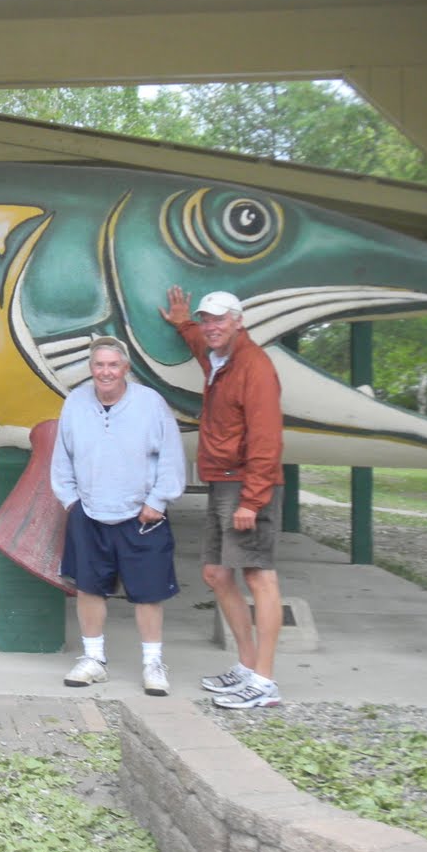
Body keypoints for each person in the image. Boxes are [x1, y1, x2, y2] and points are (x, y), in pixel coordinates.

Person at [160, 287, 286, 710]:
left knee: (258, 576)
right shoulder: (219, 360)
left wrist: (253, 500)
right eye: (207, 319)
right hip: (221, 480)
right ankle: (246, 666)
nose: (211, 327)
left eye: (219, 319)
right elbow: (202, 342)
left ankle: (264, 681)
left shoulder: (255, 367)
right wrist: (183, 323)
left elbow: (267, 440)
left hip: (247, 484)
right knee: (216, 574)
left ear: (239, 321)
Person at [51, 336, 186, 696]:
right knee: (88, 588)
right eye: (99, 365)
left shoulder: (149, 403)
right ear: (91, 369)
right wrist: (70, 500)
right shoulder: (75, 403)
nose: (106, 372)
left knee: (148, 592)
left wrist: (158, 500)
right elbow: (62, 456)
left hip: (142, 513)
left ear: (125, 368)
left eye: (113, 365)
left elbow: (172, 455)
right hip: (90, 510)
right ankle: (93, 659)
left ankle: (152, 664)